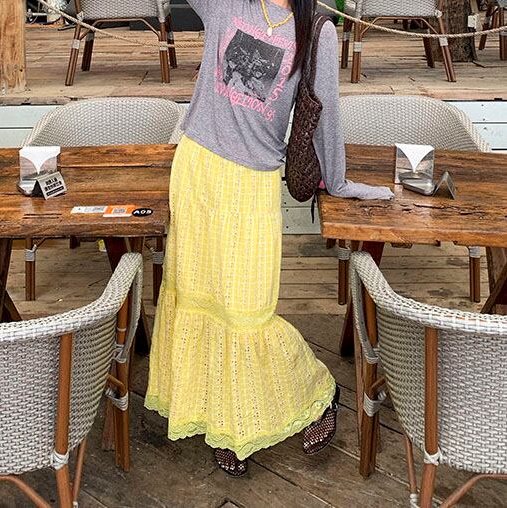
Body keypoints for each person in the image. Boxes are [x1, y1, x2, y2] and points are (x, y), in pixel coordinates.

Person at [145, 0, 393, 477]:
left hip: (253, 182)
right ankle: (224, 422)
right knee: (200, 299)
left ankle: (318, 393)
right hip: (197, 171)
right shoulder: (226, 4)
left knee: (247, 311)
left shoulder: (316, 29)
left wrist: (339, 182)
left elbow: (325, 114)